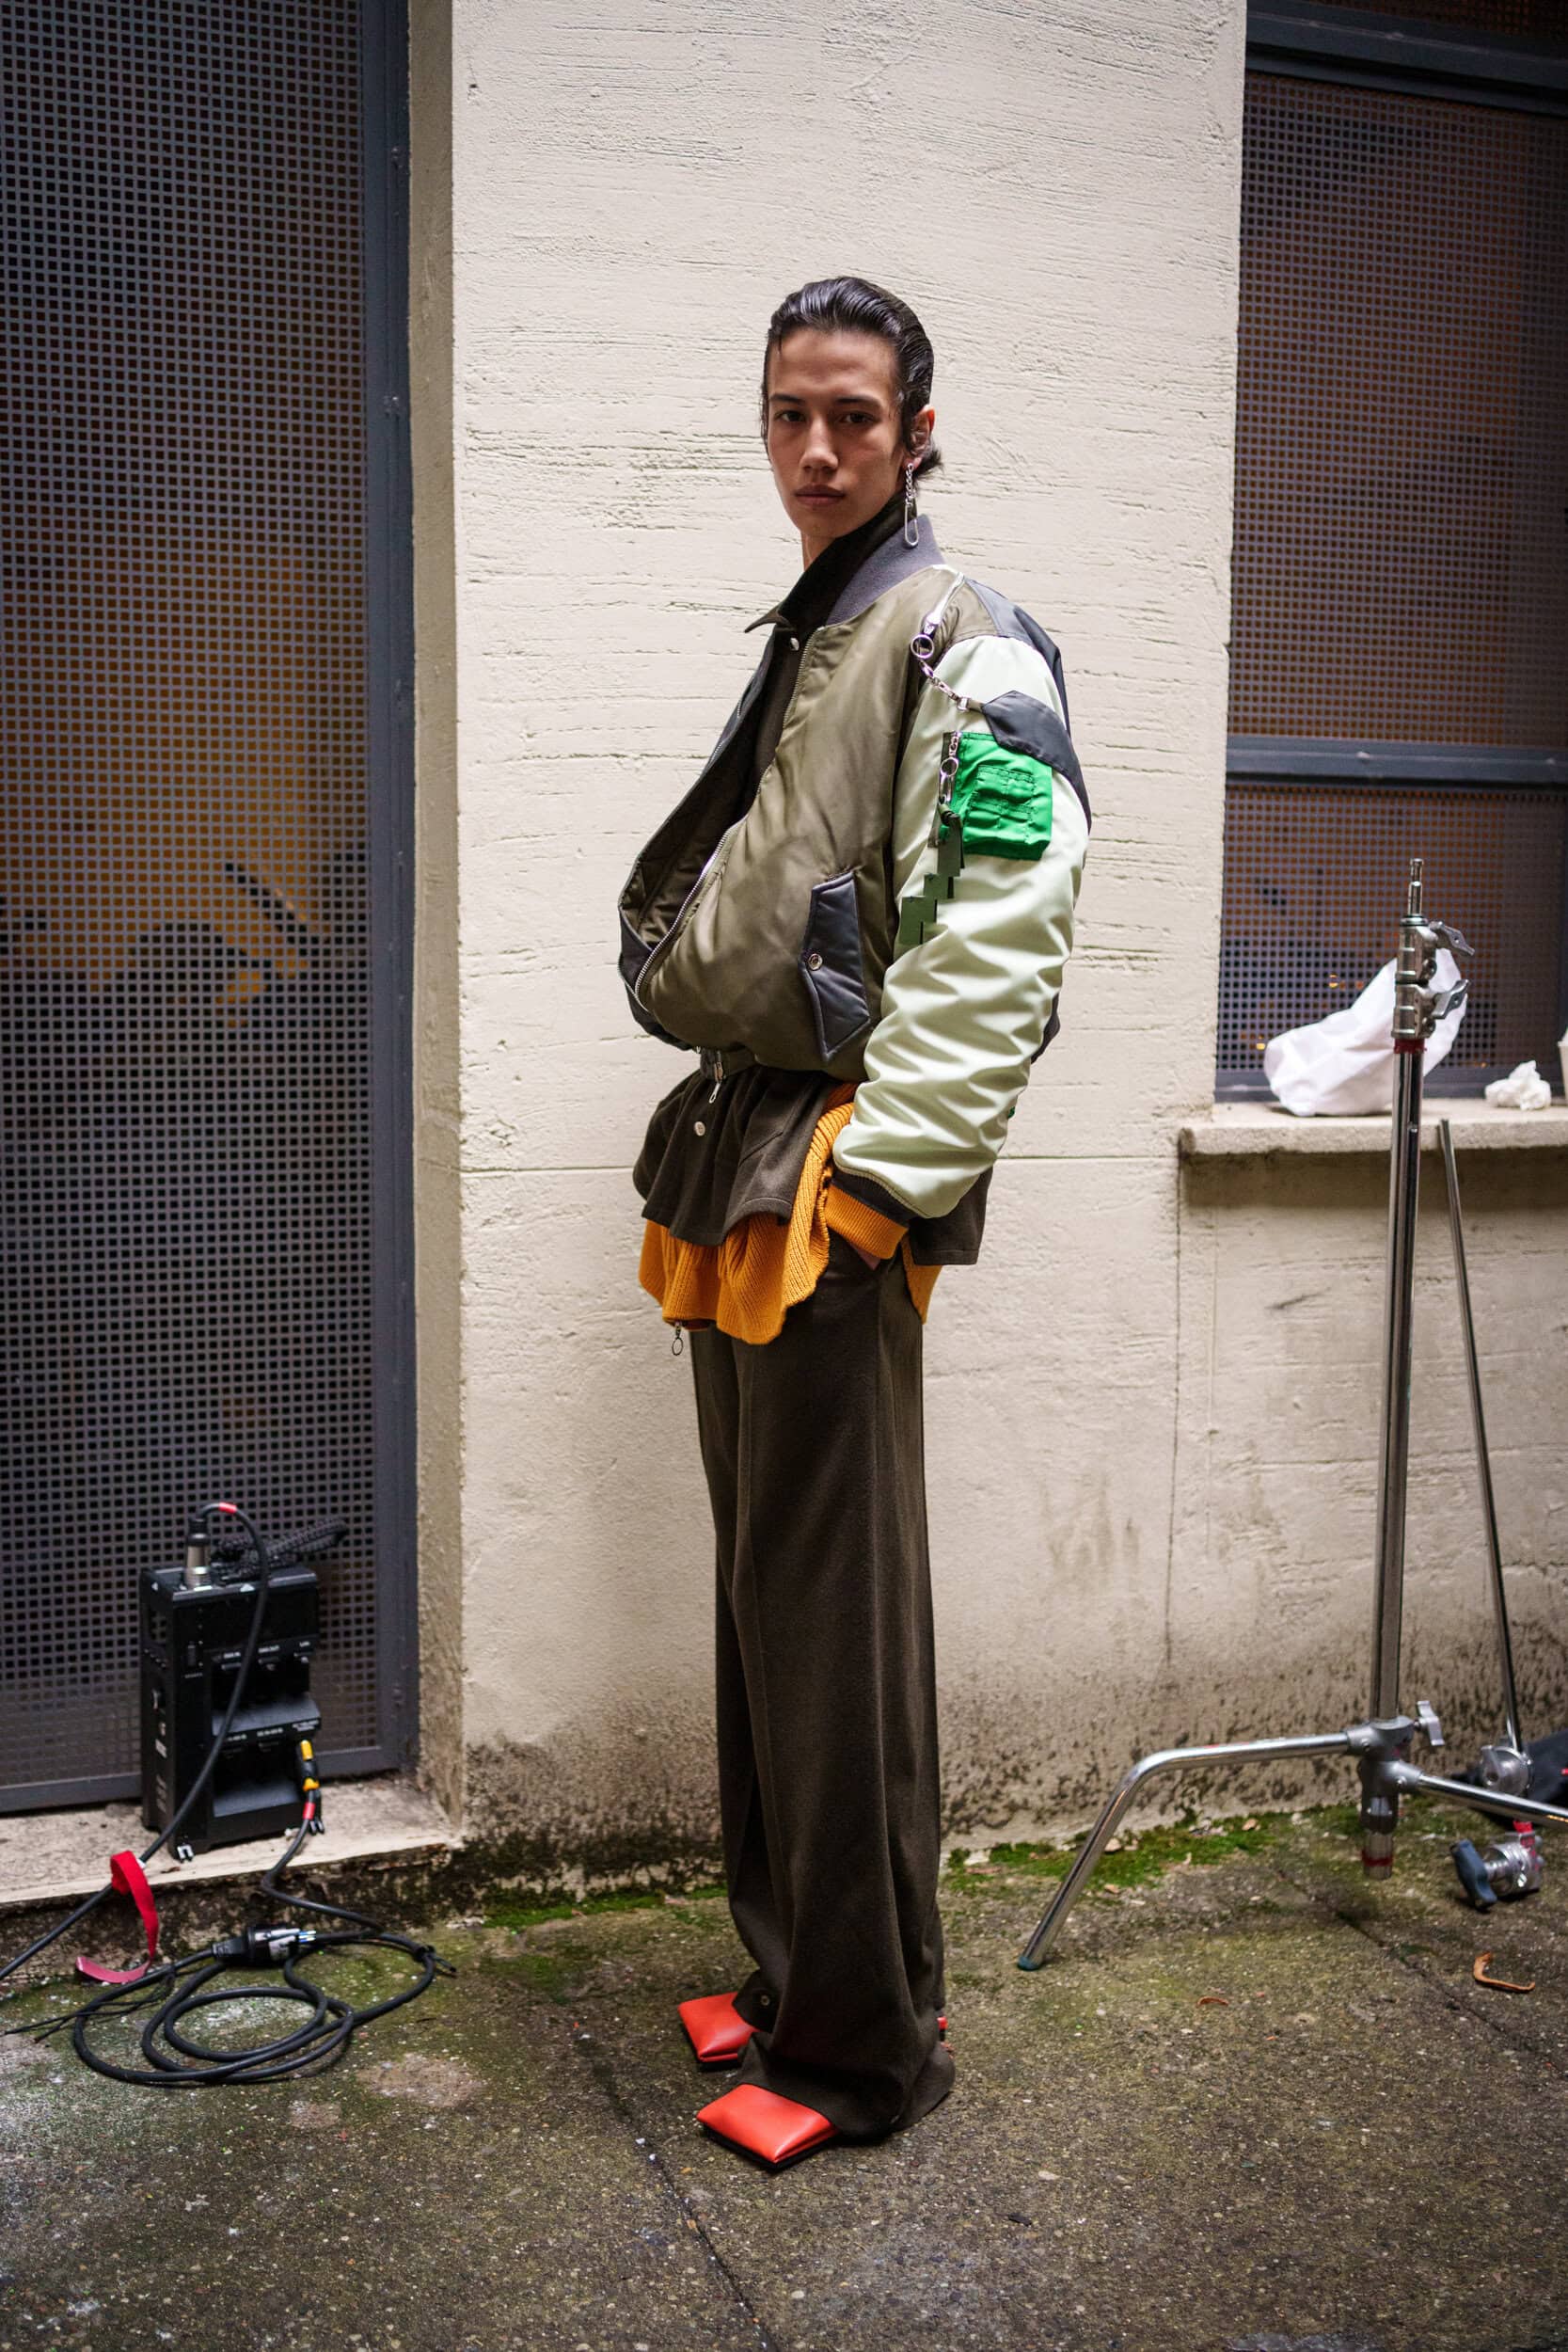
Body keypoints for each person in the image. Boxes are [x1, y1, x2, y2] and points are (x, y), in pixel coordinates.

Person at [617, 276, 1090, 2169]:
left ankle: (861, 2052)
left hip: (827, 1183)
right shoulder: (828, 619)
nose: (816, 449)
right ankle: (803, 1958)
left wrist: (888, 1186)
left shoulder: (960, 632)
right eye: (789, 415)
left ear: (917, 432)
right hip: (744, 1162)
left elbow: (1010, 911)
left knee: (834, 1629)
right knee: (772, 1614)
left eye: (854, 418)